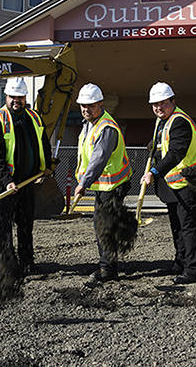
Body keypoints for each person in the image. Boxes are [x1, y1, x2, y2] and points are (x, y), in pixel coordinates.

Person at [0, 77, 53, 275]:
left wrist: (46, 166)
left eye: (20, 97)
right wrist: (7, 182)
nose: (17, 100)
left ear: (25, 97)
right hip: (5, 183)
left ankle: (27, 261)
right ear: (6, 96)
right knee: (4, 224)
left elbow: (44, 143)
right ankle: (4, 263)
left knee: (25, 223)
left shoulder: (34, 117)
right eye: (13, 96)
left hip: (27, 181)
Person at [142, 82, 196, 284]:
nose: (158, 108)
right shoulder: (162, 121)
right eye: (154, 104)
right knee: (177, 226)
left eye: (162, 103)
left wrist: (154, 171)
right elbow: (165, 145)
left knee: (188, 227)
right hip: (174, 185)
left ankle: (192, 269)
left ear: (173, 101)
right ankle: (180, 263)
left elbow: (177, 152)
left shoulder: (179, 121)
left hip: (190, 182)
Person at [74, 83, 132, 286]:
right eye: (83, 106)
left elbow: (99, 159)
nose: (86, 109)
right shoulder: (89, 124)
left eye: (90, 106)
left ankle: (108, 269)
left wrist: (83, 183)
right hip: (102, 186)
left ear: (100, 104)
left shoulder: (106, 128)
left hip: (112, 186)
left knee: (105, 227)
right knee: (102, 226)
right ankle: (107, 265)